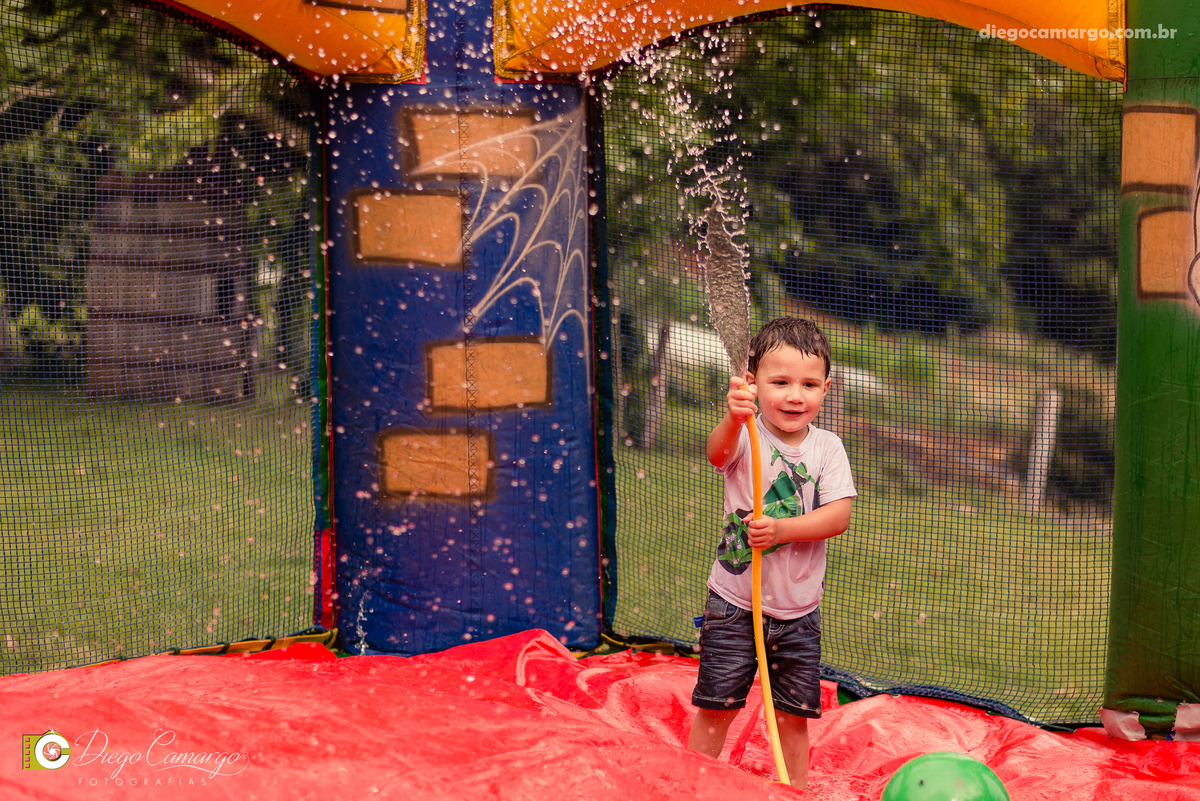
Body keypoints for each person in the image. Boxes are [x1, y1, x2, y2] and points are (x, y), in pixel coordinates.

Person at [686, 316, 856, 789]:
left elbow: (838, 517)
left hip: (797, 614)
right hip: (734, 604)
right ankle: (690, 784)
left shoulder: (828, 448)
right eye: (779, 382)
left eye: (808, 384)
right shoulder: (746, 435)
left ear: (826, 387)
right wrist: (733, 418)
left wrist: (782, 529)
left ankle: (793, 790)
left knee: (793, 717)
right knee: (717, 705)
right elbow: (717, 456)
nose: (794, 396)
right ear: (754, 384)